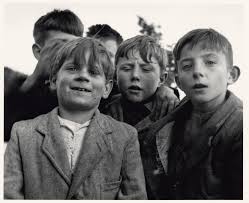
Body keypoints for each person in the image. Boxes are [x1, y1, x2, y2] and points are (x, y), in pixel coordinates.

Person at [4, 37, 147, 200]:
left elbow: (135, 196)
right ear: (53, 80)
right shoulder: (22, 133)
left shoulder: (125, 136)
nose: (83, 76)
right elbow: (9, 195)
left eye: (93, 72)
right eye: (72, 68)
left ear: (107, 88)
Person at [146, 28, 242, 199]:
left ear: (231, 75)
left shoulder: (240, 129)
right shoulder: (169, 118)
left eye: (210, 62)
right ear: (178, 81)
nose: (197, 72)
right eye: (187, 66)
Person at [102, 35, 176, 198]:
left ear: (162, 78)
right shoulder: (103, 110)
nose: (135, 75)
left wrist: (169, 91)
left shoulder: (174, 113)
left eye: (146, 69)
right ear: (115, 74)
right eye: (126, 68)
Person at [4, 9, 83, 141]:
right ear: (38, 52)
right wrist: (36, 77)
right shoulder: (10, 83)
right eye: (59, 46)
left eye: (76, 47)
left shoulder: (87, 87)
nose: (70, 55)